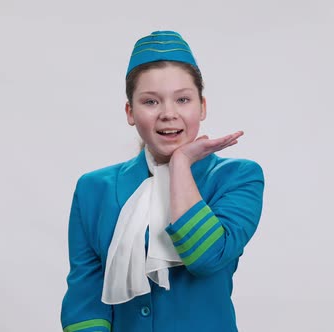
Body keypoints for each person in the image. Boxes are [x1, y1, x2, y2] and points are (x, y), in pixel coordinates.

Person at [60, 31, 265, 332]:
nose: (168, 114)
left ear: (202, 106)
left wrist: (180, 165)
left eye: (183, 99)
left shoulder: (238, 178)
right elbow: (85, 299)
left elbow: (206, 258)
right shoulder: (93, 189)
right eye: (151, 102)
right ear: (130, 112)